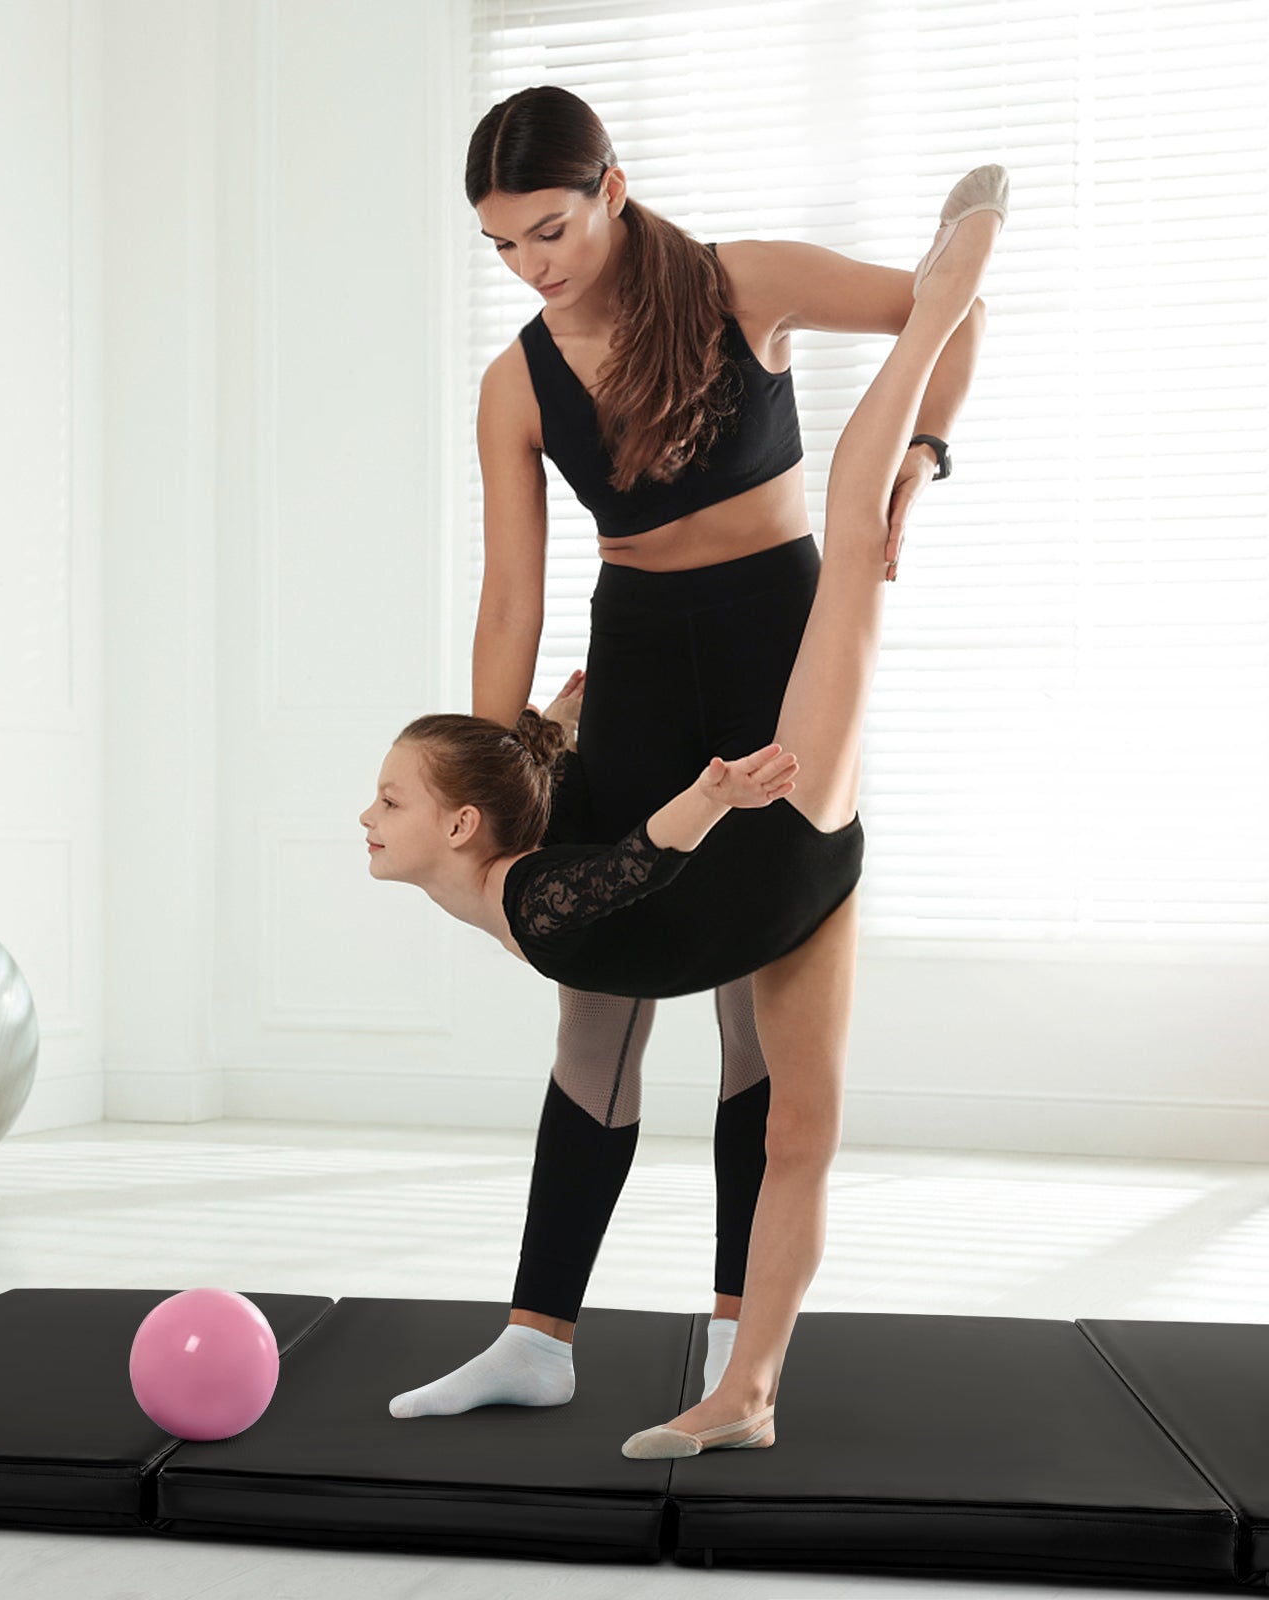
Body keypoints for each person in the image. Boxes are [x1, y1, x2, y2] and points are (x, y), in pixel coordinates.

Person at [361, 160, 1008, 1456]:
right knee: (596, 1012)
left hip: (778, 631)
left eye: (549, 228)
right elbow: (509, 601)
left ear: (607, 190)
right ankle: (537, 1337)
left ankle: (734, 1341)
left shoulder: (735, 283)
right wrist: (497, 781)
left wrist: (923, 462)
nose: (533, 263)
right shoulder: (519, 383)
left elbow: (948, 305)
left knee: (753, 1017)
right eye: (501, 246)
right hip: (639, 667)